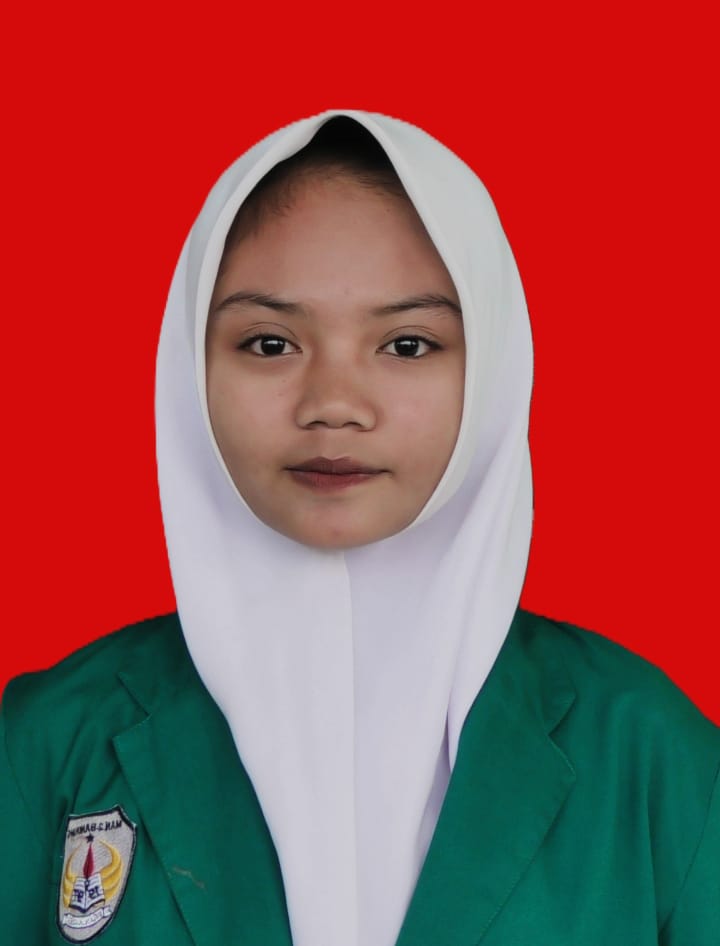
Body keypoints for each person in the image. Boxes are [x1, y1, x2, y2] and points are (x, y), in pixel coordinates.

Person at [1, 110, 718, 946]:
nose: (334, 405)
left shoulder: (651, 754)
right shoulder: (51, 740)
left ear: (492, 368)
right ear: (189, 365)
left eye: (407, 345)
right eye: (269, 343)